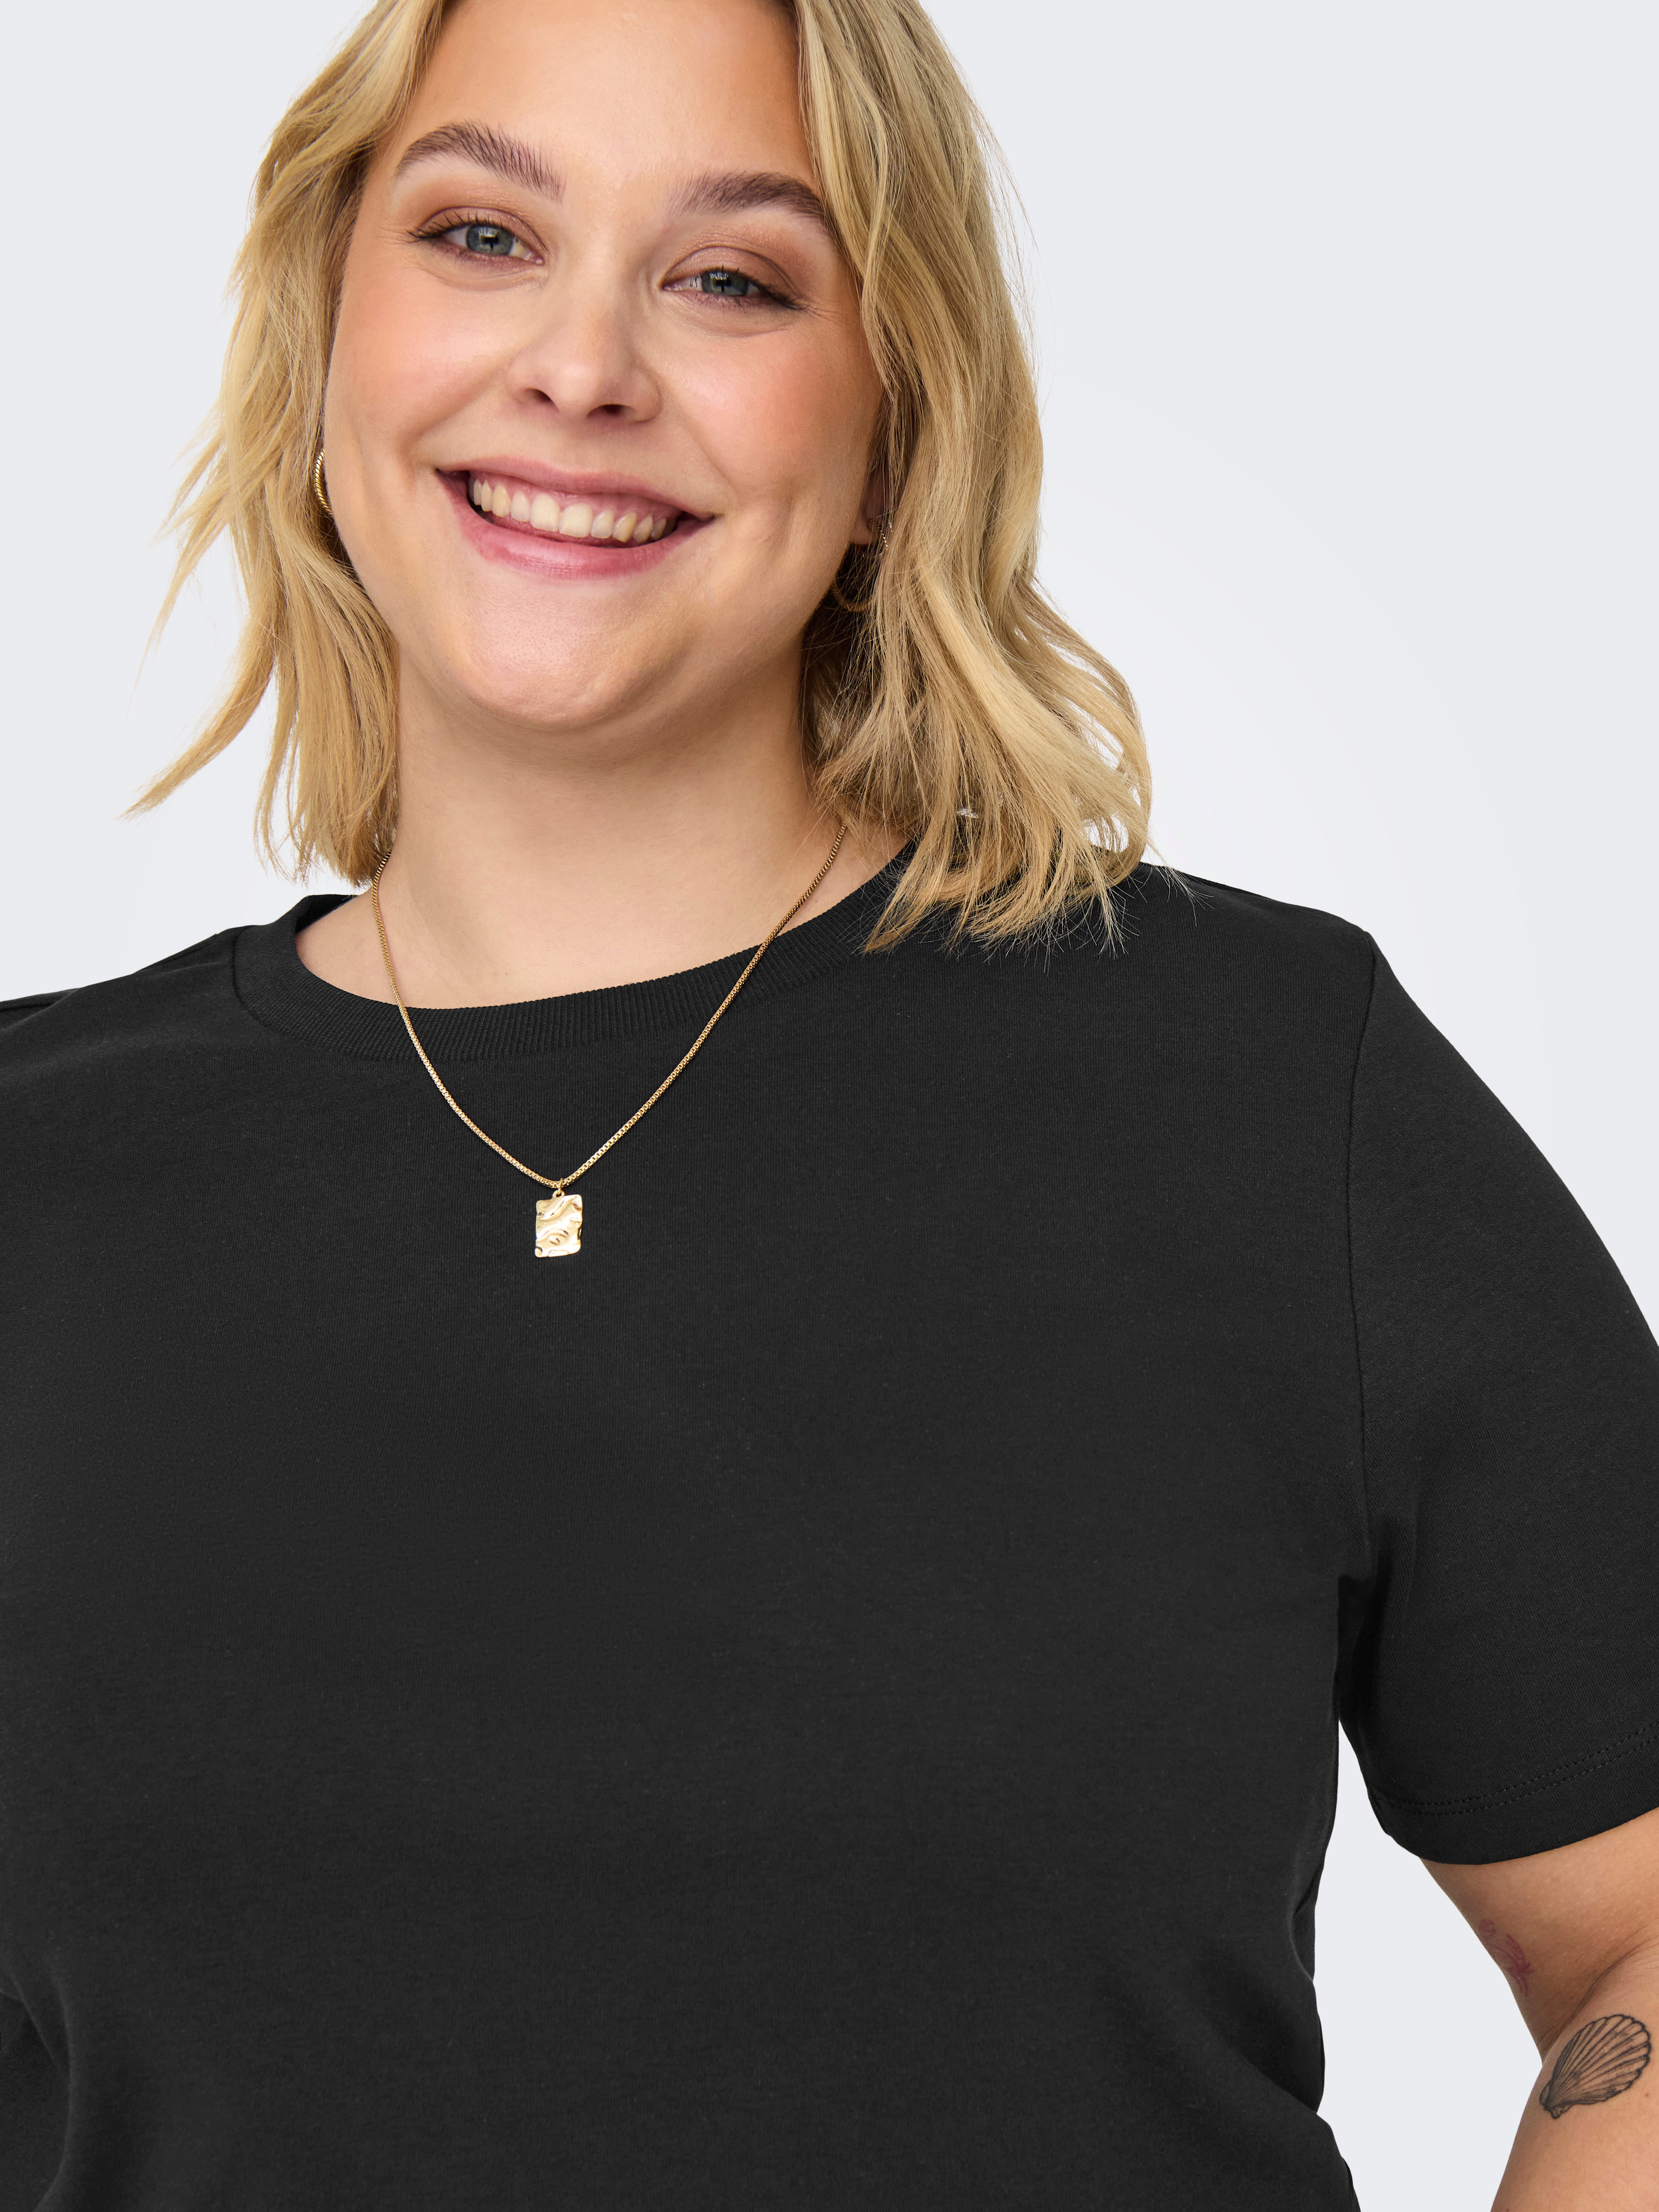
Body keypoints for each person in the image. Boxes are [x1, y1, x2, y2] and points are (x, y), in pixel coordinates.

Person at [1, 0, 1655, 2202]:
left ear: (890, 433)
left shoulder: (1264, 1092)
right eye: (482, 235)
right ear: (323, 341)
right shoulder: (38, 1177)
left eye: (731, 276)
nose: (582, 365)